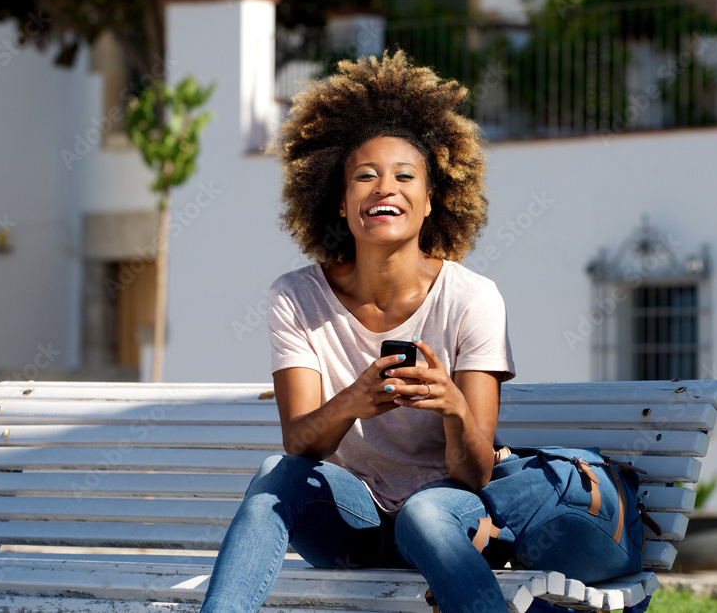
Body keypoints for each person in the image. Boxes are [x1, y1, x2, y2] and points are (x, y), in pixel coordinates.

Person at [200, 50, 515, 613]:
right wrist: (354, 400)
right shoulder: (295, 297)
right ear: (342, 205)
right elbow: (300, 444)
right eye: (364, 177)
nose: (383, 188)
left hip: (448, 517)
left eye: (404, 176)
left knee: (424, 513)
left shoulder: (473, 298)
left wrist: (453, 409)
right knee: (276, 474)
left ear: (431, 201)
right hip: (353, 524)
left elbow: (477, 473)